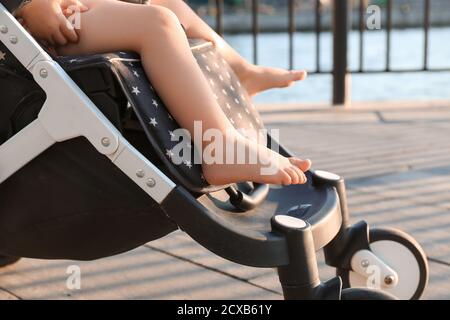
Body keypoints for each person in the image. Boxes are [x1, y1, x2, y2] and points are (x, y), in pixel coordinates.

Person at [2, 0, 312, 185]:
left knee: (164, 3)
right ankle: (217, 145)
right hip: (27, 28)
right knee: (157, 23)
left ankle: (240, 71)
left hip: (63, 10)